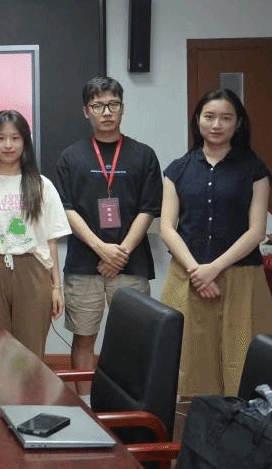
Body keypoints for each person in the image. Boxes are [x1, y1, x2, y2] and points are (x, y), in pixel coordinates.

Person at [159, 88, 272, 397]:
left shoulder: (254, 170)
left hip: (240, 279)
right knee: (188, 362)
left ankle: (239, 422)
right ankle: (191, 422)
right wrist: (197, 270)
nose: (216, 124)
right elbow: (167, 228)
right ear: (197, 120)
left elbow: (257, 231)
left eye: (226, 118)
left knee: (241, 360)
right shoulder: (178, 170)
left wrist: (213, 269)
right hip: (187, 278)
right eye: (209, 117)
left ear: (238, 123)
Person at [55, 77, 162, 393]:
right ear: (86, 111)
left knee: (134, 338)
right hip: (84, 263)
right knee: (83, 338)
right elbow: (66, 208)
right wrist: (102, 248)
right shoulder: (70, 156)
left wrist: (120, 252)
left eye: (113, 104)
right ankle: (86, 405)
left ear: (122, 108)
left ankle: (128, 405)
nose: (106, 112)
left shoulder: (143, 155)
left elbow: (149, 208)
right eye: (98, 105)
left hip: (131, 263)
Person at [0, 110, 70, 358]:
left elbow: (50, 241)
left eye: (15, 138)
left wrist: (56, 287)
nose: (8, 145)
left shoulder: (41, 185)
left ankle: (29, 387)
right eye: (0, 138)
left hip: (32, 271)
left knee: (29, 352)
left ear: (25, 142)